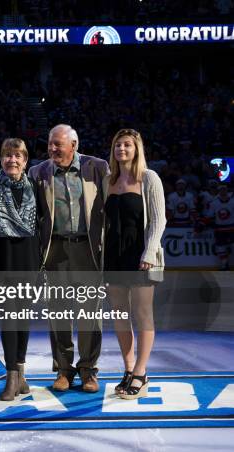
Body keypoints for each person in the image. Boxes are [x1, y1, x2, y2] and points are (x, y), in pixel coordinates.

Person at [29, 124, 109, 393]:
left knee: (90, 315)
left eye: (58, 145)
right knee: (59, 313)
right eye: (50, 144)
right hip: (56, 251)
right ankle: (64, 370)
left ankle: (88, 370)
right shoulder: (38, 172)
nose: (52, 149)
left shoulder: (97, 167)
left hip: (88, 250)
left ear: (73, 145)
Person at [103, 129, 166, 399]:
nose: (122, 149)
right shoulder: (109, 180)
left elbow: (158, 219)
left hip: (141, 257)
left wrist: (149, 252)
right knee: (119, 315)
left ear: (137, 148)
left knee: (142, 315)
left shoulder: (149, 178)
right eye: (118, 145)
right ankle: (128, 369)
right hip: (114, 257)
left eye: (127, 144)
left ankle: (141, 372)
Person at [0, 138, 41, 401]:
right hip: (1, 260)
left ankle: (21, 373)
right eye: (7, 155)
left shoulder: (36, 188)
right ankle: (11, 377)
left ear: (25, 161)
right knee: (9, 318)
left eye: (17, 156)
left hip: (28, 260)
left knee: (23, 318)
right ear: (1, 159)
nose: (12, 160)